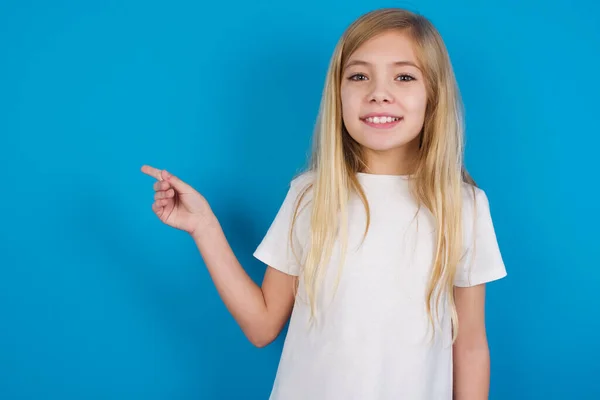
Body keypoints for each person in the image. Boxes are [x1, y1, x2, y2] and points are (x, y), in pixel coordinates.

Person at [141, 7, 507, 400]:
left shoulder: (463, 206)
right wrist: (205, 227)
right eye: (359, 76)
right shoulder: (309, 197)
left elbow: (469, 347)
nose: (378, 92)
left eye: (403, 77)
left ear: (433, 95)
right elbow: (262, 325)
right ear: (339, 95)